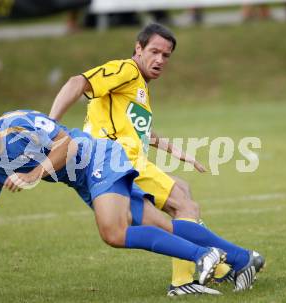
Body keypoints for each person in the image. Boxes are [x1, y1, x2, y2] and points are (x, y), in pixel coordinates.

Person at [0, 101, 263, 294]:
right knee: (161, 226)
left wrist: (33, 173)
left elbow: (68, 144)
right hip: (85, 180)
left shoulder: (16, 124)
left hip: (97, 158)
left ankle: (203, 256)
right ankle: (242, 259)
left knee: (113, 232)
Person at [48, 23, 264, 295]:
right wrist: (50, 125)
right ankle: (208, 272)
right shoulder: (126, 70)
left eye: (166, 56)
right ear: (138, 49)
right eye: (154, 51)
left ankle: (218, 267)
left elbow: (137, 128)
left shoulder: (139, 86)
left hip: (121, 164)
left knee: (177, 203)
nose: (160, 59)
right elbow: (77, 82)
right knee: (182, 202)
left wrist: (172, 149)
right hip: (118, 163)